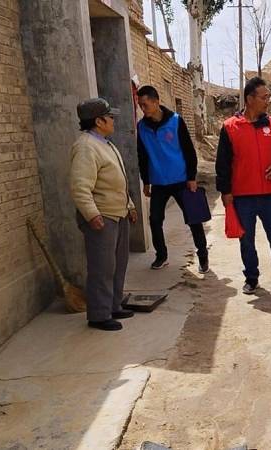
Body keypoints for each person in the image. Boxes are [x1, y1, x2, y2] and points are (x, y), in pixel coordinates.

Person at [216, 77, 271, 295]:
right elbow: (222, 164)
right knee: (247, 241)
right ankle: (251, 278)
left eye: (268, 96)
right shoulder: (230, 127)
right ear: (250, 99)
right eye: (264, 97)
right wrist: (225, 192)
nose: (268, 101)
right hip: (242, 196)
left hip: (268, 196)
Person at [70, 98, 138, 331]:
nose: (113, 121)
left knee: (118, 263)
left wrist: (129, 205)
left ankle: (114, 305)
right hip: (102, 217)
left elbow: (118, 180)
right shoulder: (86, 146)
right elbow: (80, 186)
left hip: (117, 213)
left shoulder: (105, 143)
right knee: (102, 267)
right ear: (98, 121)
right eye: (109, 117)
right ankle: (99, 315)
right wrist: (91, 214)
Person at [136, 85, 209, 273]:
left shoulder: (176, 122)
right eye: (140, 105)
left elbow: (188, 151)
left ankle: (202, 256)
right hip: (159, 182)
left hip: (181, 180)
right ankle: (161, 256)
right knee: (155, 220)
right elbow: (142, 155)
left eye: (145, 105)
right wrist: (146, 181)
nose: (142, 109)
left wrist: (192, 177)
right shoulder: (142, 127)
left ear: (156, 101)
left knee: (194, 218)